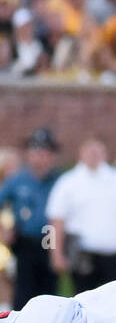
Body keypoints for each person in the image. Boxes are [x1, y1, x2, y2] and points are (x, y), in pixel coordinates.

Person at [45, 136, 116, 293]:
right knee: (84, 300)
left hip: (113, 255)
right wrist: (55, 254)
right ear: (80, 153)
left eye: (97, 150)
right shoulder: (68, 182)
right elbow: (55, 221)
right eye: (88, 150)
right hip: (82, 255)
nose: (93, 154)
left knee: (115, 300)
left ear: (105, 153)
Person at [0, 128, 61, 308]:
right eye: (36, 151)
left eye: (45, 152)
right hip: (26, 240)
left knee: (50, 294)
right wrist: (4, 231)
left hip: (51, 240)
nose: (41, 156)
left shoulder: (60, 180)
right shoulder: (18, 180)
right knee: (24, 292)